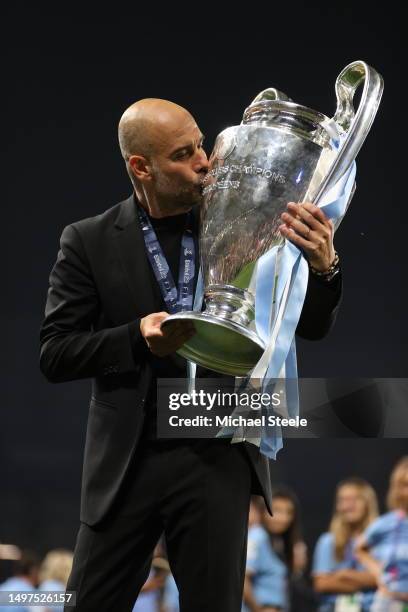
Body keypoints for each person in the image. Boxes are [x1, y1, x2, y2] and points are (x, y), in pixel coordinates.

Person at [40, 98, 344, 611]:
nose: (205, 161)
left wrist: (325, 268)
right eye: (184, 154)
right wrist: (136, 337)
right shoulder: (88, 240)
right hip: (127, 464)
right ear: (142, 167)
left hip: (215, 453)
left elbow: (309, 328)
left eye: (201, 143)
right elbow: (56, 353)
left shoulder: (247, 218)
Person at [312, 477, 379, 612]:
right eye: (343, 500)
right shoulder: (327, 541)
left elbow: (388, 580)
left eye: (355, 499)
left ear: (367, 503)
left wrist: (345, 575)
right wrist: (369, 581)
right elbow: (322, 584)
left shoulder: (380, 541)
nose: (348, 505)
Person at [355, 456, 408, 611]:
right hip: (390, 601)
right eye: (405, 485)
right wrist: (380, 574)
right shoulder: (386, 523)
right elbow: (359, 548)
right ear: (397, 489)